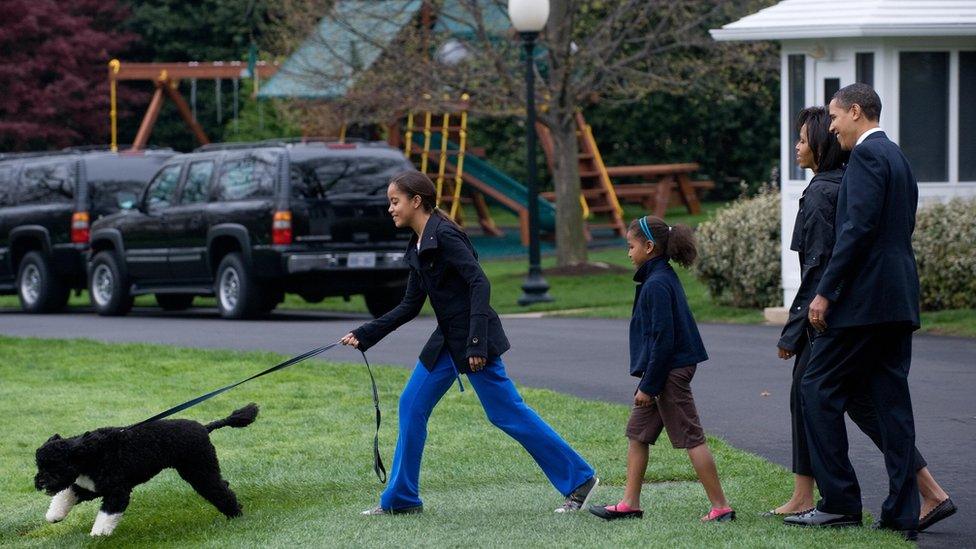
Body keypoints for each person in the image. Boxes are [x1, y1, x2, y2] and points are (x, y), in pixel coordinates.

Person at [340, 171, 598, 516]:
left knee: (507, 413)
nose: (390, 208)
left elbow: (480, 283)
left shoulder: (445, 235)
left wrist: (476, 343)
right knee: (411, 405)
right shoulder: (418, 243)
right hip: (447, 340)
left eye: (395, 201)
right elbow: (409, 306)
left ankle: (579, 479)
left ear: (416, 201)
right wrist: (365, 333)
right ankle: (401, 498)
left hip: (475, 340)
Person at [771, 107, 955, 532]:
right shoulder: (897, 156)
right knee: (890, 404)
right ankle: (903, 510)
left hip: (863, 304)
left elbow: (856, 232)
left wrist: (824, 296)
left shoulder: (866, 158)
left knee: (816, 389)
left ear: (855, 112)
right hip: (898, 298)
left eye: (835, 116)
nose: (832, 126)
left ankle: (839, 502)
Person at [589, 216, 733, 523]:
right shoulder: (659, 276)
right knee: (638, 434)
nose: (628, 253)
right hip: (661, 371)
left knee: (691, 436)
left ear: (649, 247)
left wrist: (649, 386)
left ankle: (721, 507)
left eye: (630, 246)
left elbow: (663, 341)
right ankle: (630, 503)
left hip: (669, 372)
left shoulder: (656, 284)